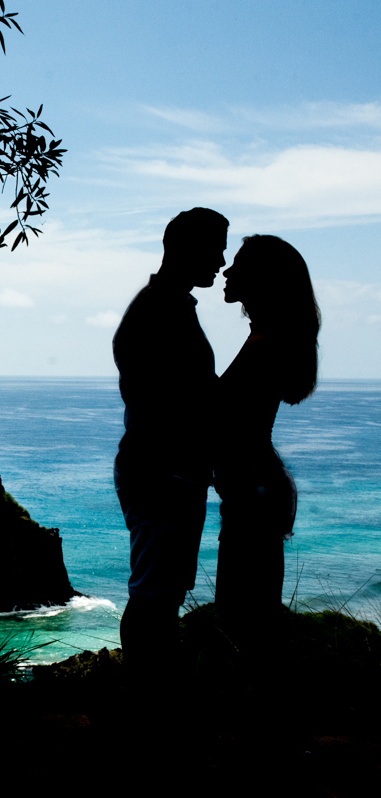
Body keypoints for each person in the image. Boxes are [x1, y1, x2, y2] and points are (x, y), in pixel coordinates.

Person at [112, 207, 228, 682]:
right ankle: (145, 700)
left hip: (167, 469)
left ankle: (150, 697)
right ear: (185, 247)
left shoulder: (168, 304)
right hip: (162, 472)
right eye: (216, 247)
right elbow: (172, 399)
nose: (221, 260)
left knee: (162, 592)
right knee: (154, 595)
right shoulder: (160, 309)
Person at [214, 235, 320, 650]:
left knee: (243, 623)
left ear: (261, 279)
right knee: (249, 620)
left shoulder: (264, 345)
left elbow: (221, 418)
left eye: (237, 265)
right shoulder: (267, 338)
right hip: (255, 489)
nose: (226, 271)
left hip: (253, 493)